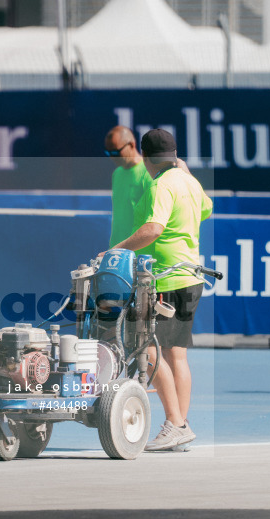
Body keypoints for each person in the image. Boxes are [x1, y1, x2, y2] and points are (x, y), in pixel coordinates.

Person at [108, 128, 213, 450]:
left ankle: (176, 422)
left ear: (148, 157)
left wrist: (118, 250)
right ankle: (180, 424)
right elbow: (206, 209)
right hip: (189, 277)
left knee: (148, 350)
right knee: (176, 355)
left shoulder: (161, 185)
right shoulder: (188, 181)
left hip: (166, 280)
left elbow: (153, 229)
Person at [104, 126, 152, 247]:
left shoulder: (149, 172)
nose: (111, 157)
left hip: (139, 252)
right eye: (108, 152)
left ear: (131, 144)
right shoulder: (117, 173)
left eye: (115, 152)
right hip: (117, 250)